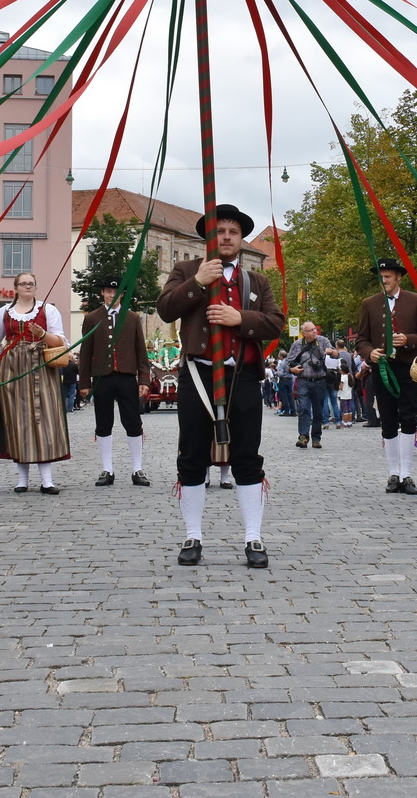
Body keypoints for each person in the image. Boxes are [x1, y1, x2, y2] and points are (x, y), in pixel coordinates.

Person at [156, 204, 284, 567]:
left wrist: (239, 318)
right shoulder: (186, 270)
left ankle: (253, 538)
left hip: (240, 376)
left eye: (232, 231)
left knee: (247, 455)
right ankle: (192, 535)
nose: (226, 237)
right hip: (197, 374)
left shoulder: (255, 281)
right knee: (192, 455)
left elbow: (275, 322)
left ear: (240, 239)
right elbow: (165, 309)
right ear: (209, 238)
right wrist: (197, 283)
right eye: (219, 231)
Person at [0, 271, 69, 493]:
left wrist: (42, 334)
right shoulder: (4, 313)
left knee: (43, 419)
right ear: (16, 288)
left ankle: (47, 479)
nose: (28, 287)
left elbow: (60, 341)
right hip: (13, 368)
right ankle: (22, 479)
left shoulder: (48, 310)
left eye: (32, 284)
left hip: (41, 368)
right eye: (24, 284)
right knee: (17, 418)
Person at [354, 258, 417, 494]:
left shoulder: (415, 301)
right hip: (382, 369)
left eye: (388, 276)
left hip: (407, 367)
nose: (384, 280)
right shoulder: (369, 304)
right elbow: (361, 340)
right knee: (387, 419)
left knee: (408, 417)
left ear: (398, 277)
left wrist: (409, 340)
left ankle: (407, 473)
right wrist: (370, 353)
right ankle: (393, 473)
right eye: (381, 276)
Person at [78, 276, 154, 486]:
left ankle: (137, 469)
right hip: (102, 377)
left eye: (116, 292)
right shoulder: (92, 318)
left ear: (121, 294)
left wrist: (144, 379)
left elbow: (141, 351)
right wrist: (84, 382)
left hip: (127, 376)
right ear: (102, 293)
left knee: (133, 422)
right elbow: (85, 352)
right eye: (108, 291)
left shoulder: (131, 318)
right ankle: (107, 469)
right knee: (103, 423)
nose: (112, 295)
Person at [283, 321, 339, 449]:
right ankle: (303, 436)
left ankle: (316, 438)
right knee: (303, 408)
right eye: (311, 330)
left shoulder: (323, 341)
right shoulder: (297, 345)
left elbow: (337, 355)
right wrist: (292, 370)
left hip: (320, 381)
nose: (315, 331)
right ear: (304, 333)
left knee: (318, 411)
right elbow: (287, 363)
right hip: (303, 381)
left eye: (315, 329)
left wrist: (331, 352)